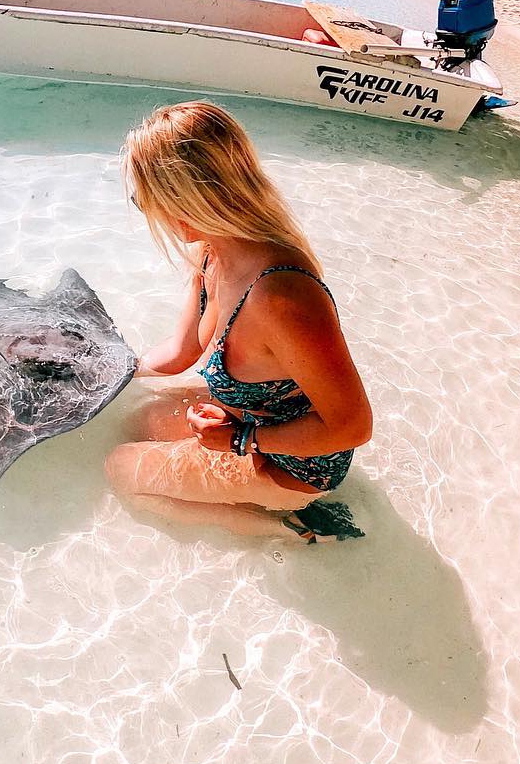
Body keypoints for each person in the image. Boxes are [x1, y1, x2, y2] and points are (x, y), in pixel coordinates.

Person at [104, 102, 373, 542]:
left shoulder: (282, 297)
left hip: (295, 466)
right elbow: (179, 354)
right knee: (143, 421)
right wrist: (102, 370)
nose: (145, 209)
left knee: (120, 470)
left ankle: (290, 526)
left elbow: (353, 426)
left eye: (145, 198)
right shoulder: (212, 253)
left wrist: (241, 440)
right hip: (248, 422)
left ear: (185, 202)